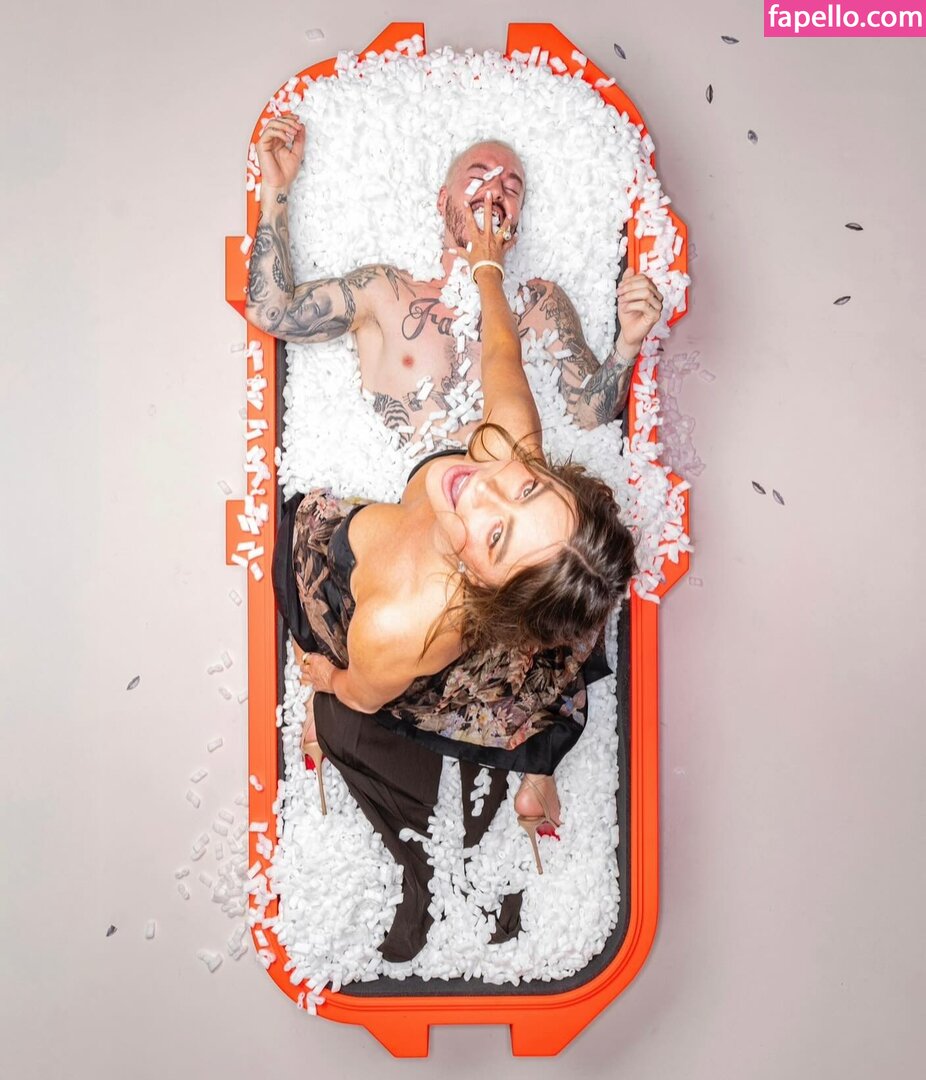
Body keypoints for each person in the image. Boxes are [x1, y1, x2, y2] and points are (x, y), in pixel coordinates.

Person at [245, 115, 664, 444]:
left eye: (511, 188)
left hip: (504, 508)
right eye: (478, 176)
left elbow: (588, 416)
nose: (494, 191)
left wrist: (628, 343)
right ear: (443, 201)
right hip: (405, 503)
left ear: (516, 224)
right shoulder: (385, 291)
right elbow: (272, 313)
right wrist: (276, 190)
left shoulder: (541, 305)